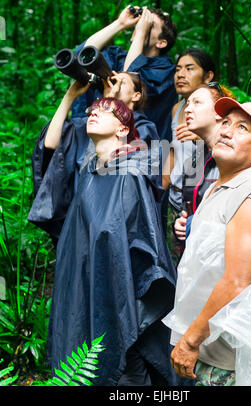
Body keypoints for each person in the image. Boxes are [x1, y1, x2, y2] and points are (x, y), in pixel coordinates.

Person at [28, 80, 184, 386]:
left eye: (107, 109)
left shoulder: (131, 175)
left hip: (122, 302)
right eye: (93, 108)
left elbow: (139, 251)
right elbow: (50, 148)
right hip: (85, 288)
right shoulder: (87, 172)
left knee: (125, 372)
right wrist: (71, 94)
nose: (95, 111)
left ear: (123, 129)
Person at [163, 98, 251, 386]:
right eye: (225, 123)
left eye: (242, 127)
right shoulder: (220, 186)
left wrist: (189, 341)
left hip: (226, 362)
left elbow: (238, 280)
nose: (226, 131)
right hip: (207, 346)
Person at [71, 5, 178, 142]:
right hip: (98, 144)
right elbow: (82, 56)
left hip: (139, 151)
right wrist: (120, 23)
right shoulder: (119, 57)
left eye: (149, 25)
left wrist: (140, 33)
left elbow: (128, 81)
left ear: (161, 43)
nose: (141, 26)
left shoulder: (167, 71)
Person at [161, 48, 217, 264]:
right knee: (181, 264)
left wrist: (203, 135)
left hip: (205, 200)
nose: (180, 74)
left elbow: (232, 147)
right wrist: (160, 187)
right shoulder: (177, 108)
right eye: (177, 69)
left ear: (208, 76)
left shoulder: (220, 106)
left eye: (189, 68)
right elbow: (172, 151)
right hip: (177, 202)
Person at [173, 83, 235, 254]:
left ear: (218, 111)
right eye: (188, 103)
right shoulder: (196, 158)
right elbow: (187, 207)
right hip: (195, 259)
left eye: (197, 103)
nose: (187, 109)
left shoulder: (235, 155)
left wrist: (194, 223)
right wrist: (180, 223)